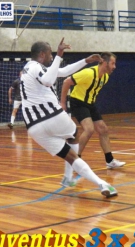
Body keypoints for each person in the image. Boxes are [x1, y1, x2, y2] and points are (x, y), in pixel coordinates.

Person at [20, 38, 117, 198]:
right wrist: (59, 54)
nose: (52, 58)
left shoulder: (29, 69)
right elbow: (49, 80)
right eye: (50, 54)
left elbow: (63, 72)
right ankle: (86, 180)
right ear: (42, 54)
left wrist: (86, 61)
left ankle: (83, 181)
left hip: (33, 127)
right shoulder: (36, 67)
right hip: (51, 116)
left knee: (71, 156)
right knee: (74, 135)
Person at [60, 52, 126, 170]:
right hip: (78, 102)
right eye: (113, 63)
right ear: (104, 63)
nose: (114, 66)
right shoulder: (88, 73)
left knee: (103, 129)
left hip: (90, 103)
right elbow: (66, 82)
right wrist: (63, 103)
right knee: (89, 129)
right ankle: (75, 160)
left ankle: (110, 160)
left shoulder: (105, 77)